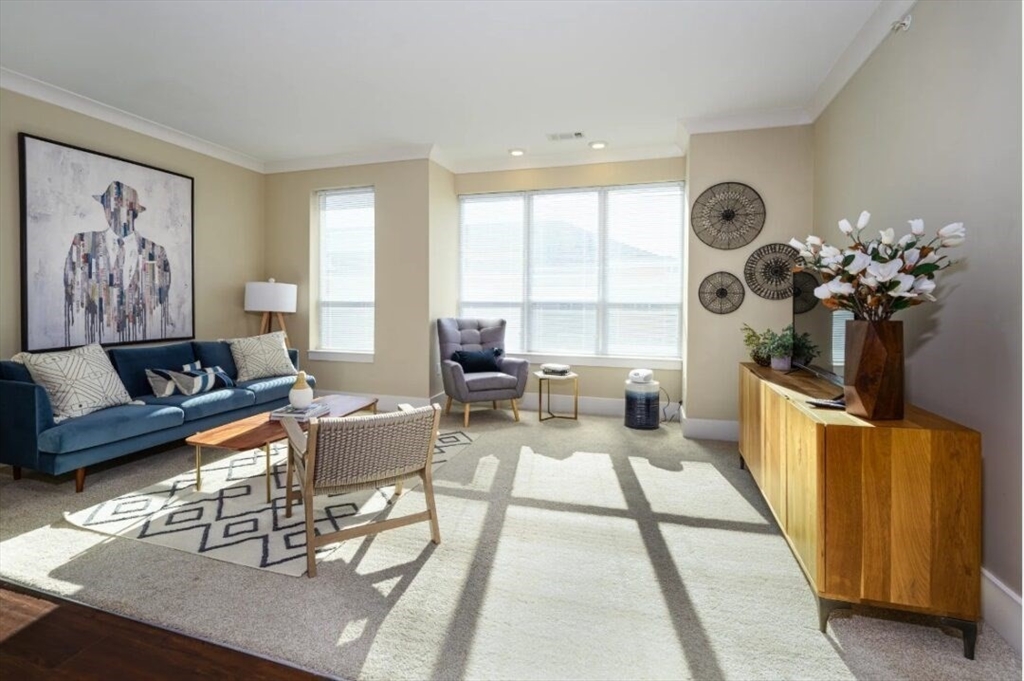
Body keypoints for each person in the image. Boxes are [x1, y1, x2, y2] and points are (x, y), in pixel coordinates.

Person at [63, 181, 171, 345]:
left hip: (139, 339)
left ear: (133, 212)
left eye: (120, 208)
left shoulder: (156, 252)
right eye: (108, 207)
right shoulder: (83, 243)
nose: (111, 213)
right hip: (93, 338)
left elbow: (160, 298)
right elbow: (72, 290)